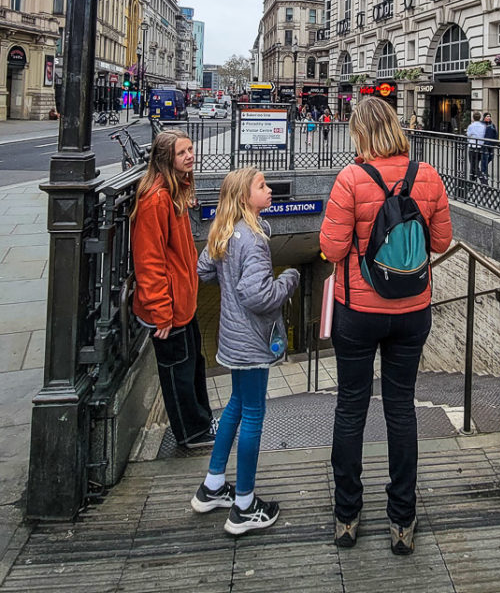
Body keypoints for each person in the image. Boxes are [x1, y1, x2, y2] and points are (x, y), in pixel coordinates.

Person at [319, 97, 452, 556]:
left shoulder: (350, 179)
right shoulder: (428, 176)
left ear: (358, 133)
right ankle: (402, 519)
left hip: (358, 312)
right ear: (395, 128)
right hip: (412, 310)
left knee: (350, 409)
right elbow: (441, 241)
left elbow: (332, 248)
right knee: (401, 410)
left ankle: (347, 516)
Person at [192, 167, 299, 535]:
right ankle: (244, 506)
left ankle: (212, 486)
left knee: (235, 406)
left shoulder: (226, 231)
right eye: (262, 186)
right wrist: (289, 279)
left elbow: (204, 270)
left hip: (231, 339)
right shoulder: (252, 240)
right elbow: (258, 295)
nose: (269, 190)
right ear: (244, 198)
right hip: (252, 342)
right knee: (252, 414)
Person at [131, 129, 214, 449]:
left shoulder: (174, 189)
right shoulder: (155, 198)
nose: (190, 156)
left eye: (191, 149)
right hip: (168, 308)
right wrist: (160, 312)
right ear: (167, 159)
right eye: (182, 153)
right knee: (178, 374)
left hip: (183, 302)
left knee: (193, 365)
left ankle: (203, 422)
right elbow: (149, 261)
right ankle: (191, 433)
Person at [466, 110, 486, 181]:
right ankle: (472, 180)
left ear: (473, 118)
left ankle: (483, 181)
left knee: (474, 165)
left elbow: (468, 135)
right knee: (475, 164)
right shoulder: (483, 126)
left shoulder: (471, 126)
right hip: (480, 147)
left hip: (472, 146)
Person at [481, 112, 499, 180]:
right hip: (484, 144)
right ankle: (484, 171)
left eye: (489, 116)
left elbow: (495, 134)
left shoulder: (492, 125)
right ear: (484, 117)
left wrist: (496, 142)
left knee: (491, 157)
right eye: (487, 116)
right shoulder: (482, 124)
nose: (488, 118)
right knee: (484, 158)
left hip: (491, 144)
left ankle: (484, 168)